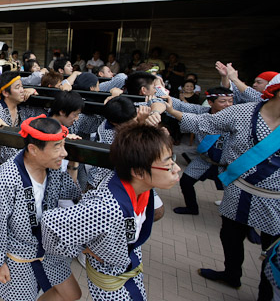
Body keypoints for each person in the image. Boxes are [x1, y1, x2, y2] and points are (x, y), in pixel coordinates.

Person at [165, 74, 280, 299]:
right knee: (230, 236)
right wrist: (171, 110)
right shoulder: (244, 111)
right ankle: (231, 274)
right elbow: (203, 122)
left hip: (275, 198)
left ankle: (266, 295)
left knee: (273, 251)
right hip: (239, 189)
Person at [41, 123, 179, 301]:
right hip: (111, 281)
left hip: (128, 265)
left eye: (172, 160)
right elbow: (50, 223)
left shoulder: (139, 185)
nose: (176, 169)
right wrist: (81, 248)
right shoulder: (107, 208)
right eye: (168, 165)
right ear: (138, 171)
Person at [0, 115, 82, 301]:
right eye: (57, 147)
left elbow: (71, 196)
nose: (64, 153)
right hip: (18, 256)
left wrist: (73, 165)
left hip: (49, 250)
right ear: (33, 149)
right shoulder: (7, 177)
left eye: (63, 145)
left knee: (73, 294)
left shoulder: (53, 167)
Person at [172, 87, 234, 215]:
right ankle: (192, 208)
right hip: (205, 160)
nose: (228, 104)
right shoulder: (201, 112)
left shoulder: (238, 117)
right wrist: (159, 93)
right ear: (210, 102)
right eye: (223, 101)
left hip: (229, 164)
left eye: (230, 101)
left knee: (237, 193)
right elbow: (180, 106)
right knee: (186, 181)